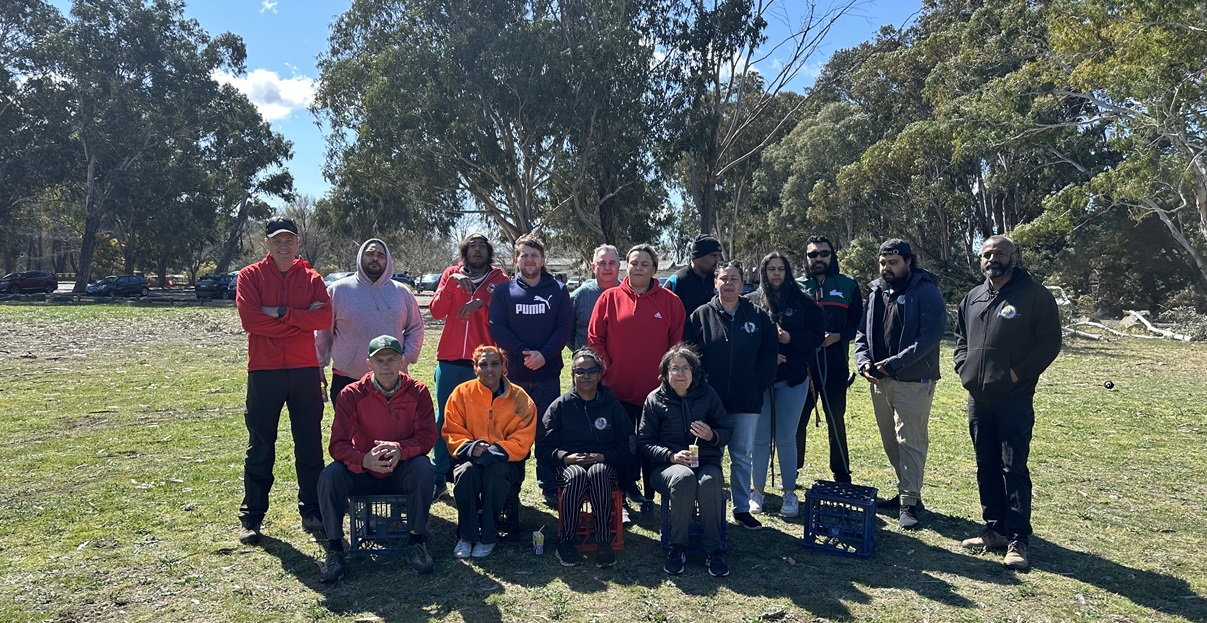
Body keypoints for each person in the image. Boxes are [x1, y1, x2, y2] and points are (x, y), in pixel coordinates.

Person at [954, 236, 1062, 570]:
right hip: (979, 398)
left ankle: (1018, 538)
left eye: (999, 253)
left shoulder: (1034, 296)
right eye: (986, 254)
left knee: (1013, 467)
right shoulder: (973, 297)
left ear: (1014, 257)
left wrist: (1016, 375)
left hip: (1013, 399)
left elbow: (1048, 344)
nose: (992, 258)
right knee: (985, 464)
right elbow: (960, 340)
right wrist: (964, 369)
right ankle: (995, 529)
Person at [234, 215, 332, 545]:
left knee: (309, 442)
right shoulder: (250, 276)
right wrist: (299, 321)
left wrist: (279, 312)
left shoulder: (313, 278)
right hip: (264, 370)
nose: (284, 245)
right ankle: (252, 517)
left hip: (304, 369)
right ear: (267, 244)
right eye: (277, 240)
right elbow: (251, 321)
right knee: (261, 444)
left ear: (297, 243)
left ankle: (312, 510)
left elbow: (323, 317)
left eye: (289, 239)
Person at [316, 335, 438, 582]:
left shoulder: (418, 391)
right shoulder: (351, 394)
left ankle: (417, 541)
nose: (386, 365)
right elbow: (337, 445)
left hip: (401, 471)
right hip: (364, 473)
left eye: (392, 359)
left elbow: (427, 437)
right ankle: (335, 547)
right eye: (379, 360)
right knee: (330, 476)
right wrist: (363, 460)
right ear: (368, 363)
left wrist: (400, 449)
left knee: (424, 468)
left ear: (401, 361)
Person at [854, 238, 947, 530]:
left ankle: (909, 502)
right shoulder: (876, 291)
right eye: (883, 263)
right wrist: (862, 361)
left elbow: (930, 336)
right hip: (879, 380)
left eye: (893, 263)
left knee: (910, 440)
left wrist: (895, 363)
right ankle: (907, 493)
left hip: (913, 379)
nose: (887, 268)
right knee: (890, 440)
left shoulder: (926, 291)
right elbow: (861, 332)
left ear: (909, 261)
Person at [588, 244, 686, 507]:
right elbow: (595, 338)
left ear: (654, 269)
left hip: (655, 392)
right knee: (623, 444)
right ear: (625, 266)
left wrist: (668, 376)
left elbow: (676, 347)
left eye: (645, 264)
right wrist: (607, 367)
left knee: (650, 443)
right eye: (633, 263)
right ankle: (626, 488)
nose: (638, 268)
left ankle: (652, 491)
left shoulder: (670, 302)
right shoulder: (608, 298)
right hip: (616, 389)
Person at [684, 260, 779, 531]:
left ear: (742, 283)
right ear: (715, 282)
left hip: (745, 401)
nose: (728, 284)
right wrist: (699, 388)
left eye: (734, 279)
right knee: (703, 454)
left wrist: (756, 384)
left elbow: (769, 356)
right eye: (723, 278)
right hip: (707, 402)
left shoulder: (757, 316)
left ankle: (740, 508)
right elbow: (689, 355)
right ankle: (698, 506)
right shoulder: (700, 315)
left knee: (741, 455)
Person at [488, 234, 572, 506]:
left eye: (534, 255)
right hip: (515, 377)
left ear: (543, 260)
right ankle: (511, 487)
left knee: (548, 433)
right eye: (524, 255)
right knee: (512, 433)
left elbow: (564, 328)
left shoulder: (558, 291)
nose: (529, 260)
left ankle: (548, 484)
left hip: (547, 376)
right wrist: (524, 352)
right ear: (516, 260)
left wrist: (544, 355)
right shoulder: (504, 291)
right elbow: (497, 327)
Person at [638, 344, 732, 577]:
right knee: (684, 478)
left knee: (710, 482)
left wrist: (711, 435)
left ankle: (714, 549)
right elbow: (644, 443)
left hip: (706, 462)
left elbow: (727, 430)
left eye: (685, 368)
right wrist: (671, 456)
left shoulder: (708, 394)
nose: (680, 374)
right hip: (666, 468)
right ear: (665, 373)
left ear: (694, 372)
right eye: (674, 368)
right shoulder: (654, 400)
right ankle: (677, 547)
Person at [429, 233, 510, 499]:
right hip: (451, 360)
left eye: (482, 247)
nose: (477, 251)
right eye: (472, 247)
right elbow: (437, 311)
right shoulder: (451, 274)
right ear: (465, 252)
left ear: (488, 252)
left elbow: (503, 315)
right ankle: (439, 476)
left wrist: (482, 301)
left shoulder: (500, 280)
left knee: (482, 419)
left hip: (483, 363)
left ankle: (477, 473)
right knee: (445, 418)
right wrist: (452, 284)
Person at [745, 252, 824, 517]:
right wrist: (767, 356)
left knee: (787, 438)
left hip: (793, 380)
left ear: (787, 272)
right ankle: (757, 491)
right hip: (760, 381)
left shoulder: (804, 303)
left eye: (781, 269)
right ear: (763, 273)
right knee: (759, 437)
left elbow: (815, 338)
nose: (776, 274)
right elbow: (741, 340)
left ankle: (789, 493)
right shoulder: (751, 303)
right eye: (771, 269)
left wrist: (790, 339)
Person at [537, 348, 631, 568]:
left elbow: (626, 447)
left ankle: (602, 539)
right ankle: (566, 540)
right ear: (573, 375)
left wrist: (603, 456)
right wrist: (566, 458)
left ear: (600, 374)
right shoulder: (560, 407)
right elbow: (542, 449)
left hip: (604, 464)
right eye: (580, 371)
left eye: (592, 370)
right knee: (577, 474)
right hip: (569, 465)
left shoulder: (612, 406)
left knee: (598, 472)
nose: (586, 375)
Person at [443, 345, 538, 559]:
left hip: (505, 461)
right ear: (475, 368)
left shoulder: (520, 398)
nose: (489, 370)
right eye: (483, 364)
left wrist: (494, 451)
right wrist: (472, 447)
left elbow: (523, 437)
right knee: (466, 473)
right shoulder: (461, 393)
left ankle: (488, 536)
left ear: (504, 366)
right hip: (469, 458)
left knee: (495, 473)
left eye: (495, 364)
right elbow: (451, 429)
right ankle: (466, 536)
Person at [316, 239, 424, 404]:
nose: (375, 258)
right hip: (348, 377)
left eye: (380, 255)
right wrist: (319, 364)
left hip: (392, 378)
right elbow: (324, 332)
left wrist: (405, 358)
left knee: (392, 429)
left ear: (387, 260)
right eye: (370, 254)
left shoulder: (402, 293)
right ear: (360, 257)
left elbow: (416, 328)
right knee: (349, 430)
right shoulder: (337, 291)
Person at [797, 236, 863, 483]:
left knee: (836, 418)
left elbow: (859, 323)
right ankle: (793, 468)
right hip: (803, 367)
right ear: (807, 258)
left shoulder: (848, 285)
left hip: (835, 365)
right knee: (798, 419)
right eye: (813, 255)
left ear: (832, 256)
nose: (818, 259)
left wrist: (838, 336)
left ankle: (841, 471)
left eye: (823, 254)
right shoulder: (797, 286)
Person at [568, 245, 621, 352]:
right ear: (593, 267)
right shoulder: (578, 297)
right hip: (588, 365)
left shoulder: (631, 295)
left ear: (619, 266)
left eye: (612, 263)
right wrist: (583, 352)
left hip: (620, 364)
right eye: (601, 263)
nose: (607, 268)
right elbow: (567, 332)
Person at [665, 234, 723, 316]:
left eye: (719, 255)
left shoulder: (717, 280)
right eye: (713, 255)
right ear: (697, 258)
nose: (718, 260)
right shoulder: (678, 280)